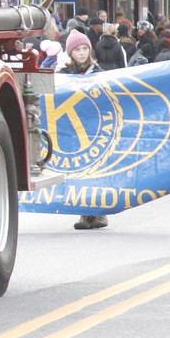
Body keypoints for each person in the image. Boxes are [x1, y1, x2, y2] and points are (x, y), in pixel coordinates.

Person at [59, 31, 107, 230]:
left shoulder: (98, 71)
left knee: (98, 171)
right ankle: (84, 213)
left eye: (84, 49)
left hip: (94, 127)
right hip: (73, 130)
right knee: (80, 172)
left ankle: (100, 213)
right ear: (71, 52)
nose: (81, 53)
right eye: (77, 49)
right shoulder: (63, 74)